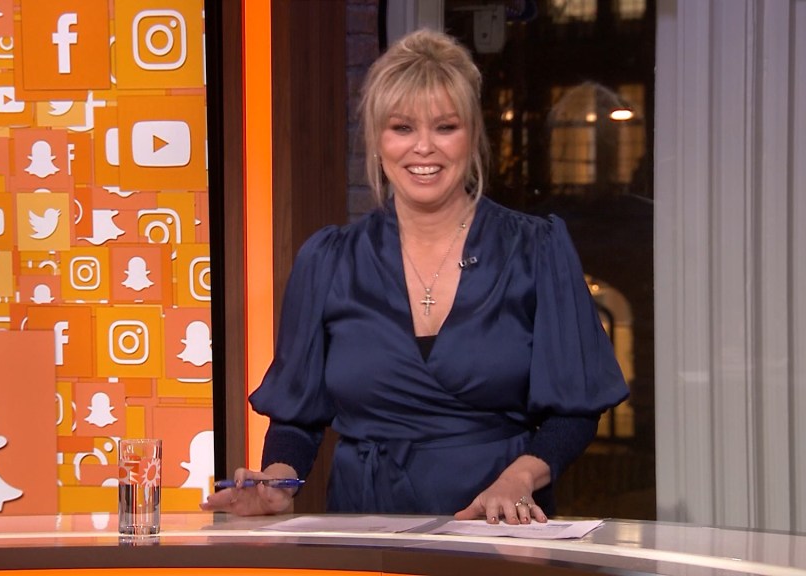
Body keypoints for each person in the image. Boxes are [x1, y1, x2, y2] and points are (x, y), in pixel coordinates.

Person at [202, 28, 629, 523]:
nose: (423, 148)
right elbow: (297, 419)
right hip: (366, 525)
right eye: (402, 128)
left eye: (445, 127)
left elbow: (575, 409)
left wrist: (519, 478)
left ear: (472, 136)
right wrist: (278, 480)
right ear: (377, 141)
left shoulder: (535, 250)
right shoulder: (329, 261)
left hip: (495, 525)